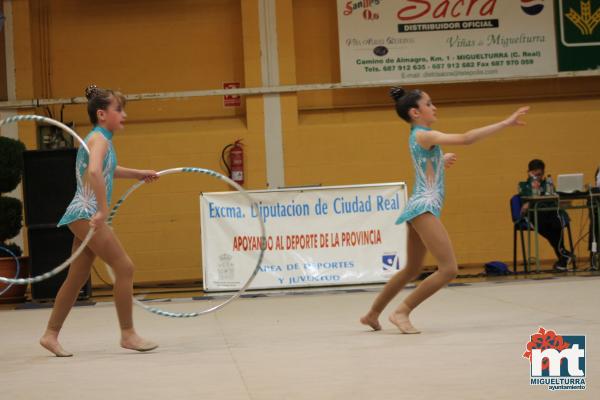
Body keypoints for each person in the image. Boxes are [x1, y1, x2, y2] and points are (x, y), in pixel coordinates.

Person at [360, 87, 529, 333]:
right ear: (415, 112)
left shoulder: (418, 136)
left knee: (412, 269)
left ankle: (372, 314)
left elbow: (426, 171)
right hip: (424, 207)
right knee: (448, 269)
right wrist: (506, 122)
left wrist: (440, 161)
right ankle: (401, 311)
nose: (434, 107)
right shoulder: (424, 135)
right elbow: (467, 138)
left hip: (418, 206)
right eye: (429, 104)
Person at [39, 85, 159, 356]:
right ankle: (128, 334)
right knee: (125, 267)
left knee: (77, 276)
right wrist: (103, 210)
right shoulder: (99, 139)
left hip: (81, 214)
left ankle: (50, 334)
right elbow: (93, 172)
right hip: (87, 213)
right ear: (102, 114)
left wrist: (137, 173)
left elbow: (106, 169)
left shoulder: (99, 138)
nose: (124, 114)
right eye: (119, 109)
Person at [518, 159, 572, 271]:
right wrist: (534, 187)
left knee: (555, 221)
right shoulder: (523, 185)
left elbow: (552, 199)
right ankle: (564, 254)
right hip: (535, 216)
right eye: (535, 174)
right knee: (547, 223)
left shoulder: (548, 183)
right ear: (529, 172)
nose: (538, 177)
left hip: (550, 213)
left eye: (540, 174)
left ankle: (563, 258)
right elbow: (527, 199)